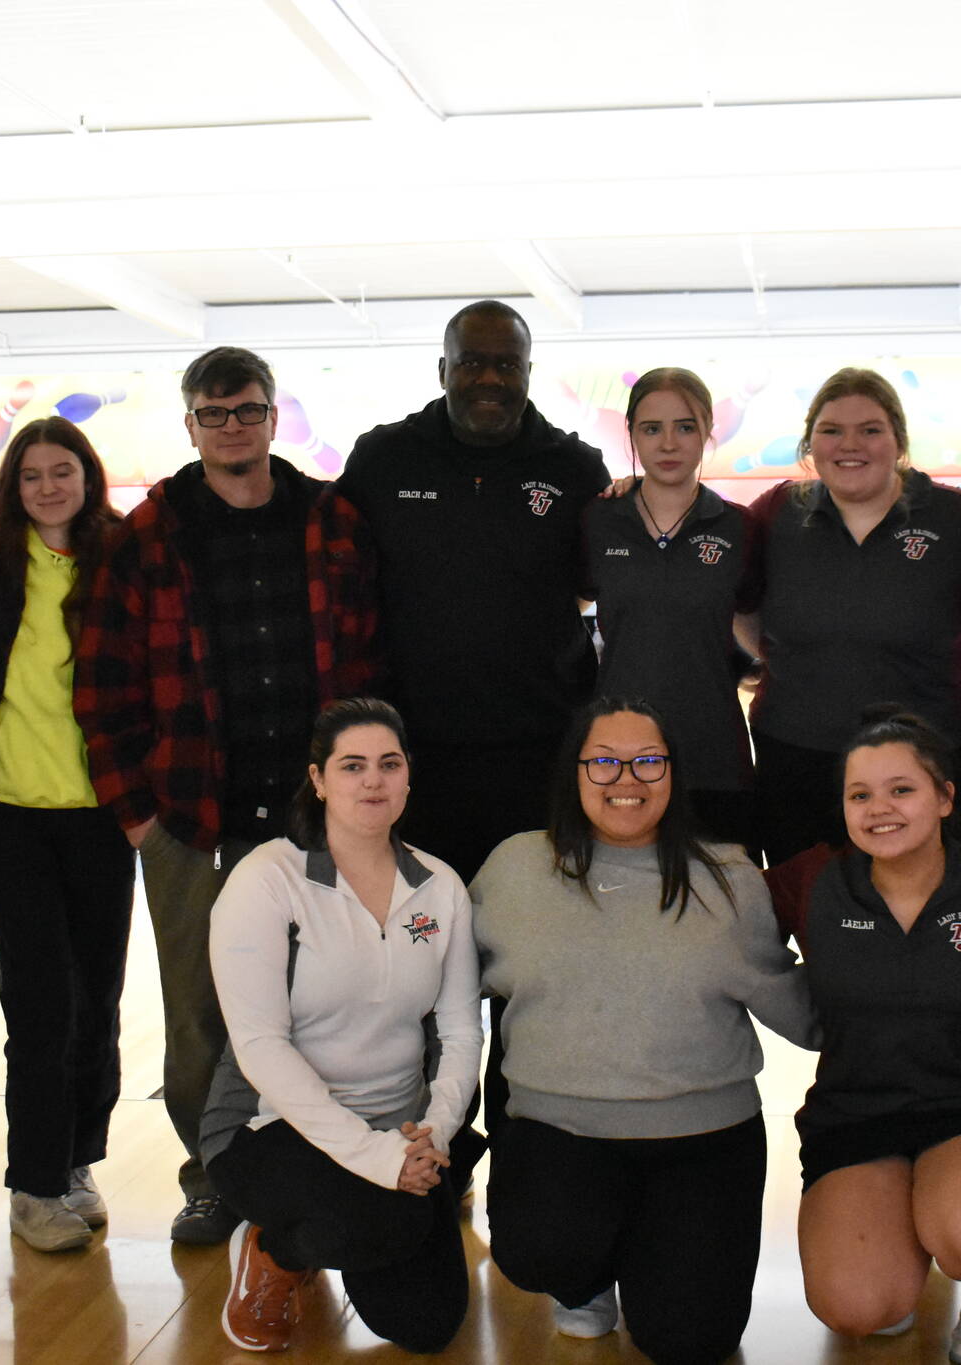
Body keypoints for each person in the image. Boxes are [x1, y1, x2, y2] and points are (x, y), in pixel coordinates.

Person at [74, 346, 380, 1246]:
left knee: (327, 1004)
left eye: (246, 410)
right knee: (202, 1016)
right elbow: (103, 683)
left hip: (312, 816)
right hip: (192, 819)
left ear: (273, 416)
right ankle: (214, 1175)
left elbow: (368, 659)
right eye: (215, 415)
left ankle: (321, 1164)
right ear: (191, 426)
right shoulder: (147, 534)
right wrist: (138, 816)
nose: (233, 427)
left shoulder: (333, 521)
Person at [472, 698, 815, 1365]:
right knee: (544, 1247)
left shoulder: (730, 879)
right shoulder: (514, 868)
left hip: (704, 1143)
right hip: (561, 1132)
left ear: (674, 774)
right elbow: (447, 989)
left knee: (690, 1341)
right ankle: (588, 1276)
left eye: (648, 760)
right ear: (573, 771)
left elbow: (801, 1014)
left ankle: (646, 1252)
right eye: (603, 760)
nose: (625, 777)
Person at [766, 707, 961, 1365]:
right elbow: (720, 931)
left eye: (902, 789)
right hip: (856, 1110)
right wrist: (797, 1018)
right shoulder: (812, 879)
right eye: (859, 794)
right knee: (857, 1308)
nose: (878, 808)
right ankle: (894, 1249)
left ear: (945, 796)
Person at [205, 698, 483, 1353]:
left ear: (409, 775)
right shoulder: (269, 879)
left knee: (428, 1324)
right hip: (269, 1127)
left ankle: (377, 1203)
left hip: (400, 1129)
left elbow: (461, 1031)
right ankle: (272, 1251)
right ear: (320, 779)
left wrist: (433, 1134)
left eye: (389, 763)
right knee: (380, 1219)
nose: (373, 780)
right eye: (352, 765)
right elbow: (259, 1044)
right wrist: (380, 1159)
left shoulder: (438, 889)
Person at [337, 299, 609, 882]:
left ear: (529, 374)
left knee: (529, 938)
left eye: (508, 365)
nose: (490, 379)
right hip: (413, 754)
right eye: (472, 363)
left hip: (542, 752)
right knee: (424, 941)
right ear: (443, 370)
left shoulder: (576, 468)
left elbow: (603, 584)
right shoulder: (384, 459)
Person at [0, 417, 133, 1252]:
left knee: (97, 997)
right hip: (11, 814)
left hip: (100, 813)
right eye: (30, 475)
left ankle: (75, 1159)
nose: (46, 487)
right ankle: (32, 1183)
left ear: (86, 474)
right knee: (38, 1003)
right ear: (13, 485)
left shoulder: (119, 554)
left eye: (60, 470)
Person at [741, 366, 961, 864]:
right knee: (809, 909)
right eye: (831, 431)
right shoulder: (777, 514)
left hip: (925, 759)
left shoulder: (959, 518)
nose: (849, 445)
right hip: (797, 753)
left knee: (921, 915)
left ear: (898, 440)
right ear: (810, 444)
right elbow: (739, 607)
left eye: (870, 430)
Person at [582, 367, 757, 850]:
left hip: (713, 755)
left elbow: (759, 629)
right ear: (632, 435)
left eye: (685, 427)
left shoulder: (739, 529)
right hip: (618, 763)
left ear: (707, 433)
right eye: (651, 428)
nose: (668, 443)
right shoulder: (598, 519)